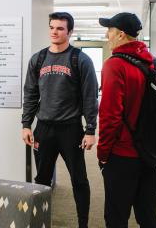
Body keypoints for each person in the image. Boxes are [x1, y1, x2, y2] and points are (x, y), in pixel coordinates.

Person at [21, 12, 99, 228]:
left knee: (79, 180)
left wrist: (90, 129)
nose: (55, 32)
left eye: (60, 28)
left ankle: (82, 223)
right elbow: (30, 94)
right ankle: (39, 221)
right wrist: (26, 124)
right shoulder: (38, 59)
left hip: (70, 130)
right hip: (44, 129)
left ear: (70, 32)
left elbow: (90, 96)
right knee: (42, 181)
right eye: (52, 27)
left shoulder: (80, 59)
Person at [97, 12, 156, 228]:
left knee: (116, 215)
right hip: (149, 151)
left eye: (110, 31)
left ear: (121, 34)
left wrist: (103, 153)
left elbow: (110, 116)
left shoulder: (114, 65)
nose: (108, 36)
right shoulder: (154, 63)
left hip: (123, 153)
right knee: (148, 213)